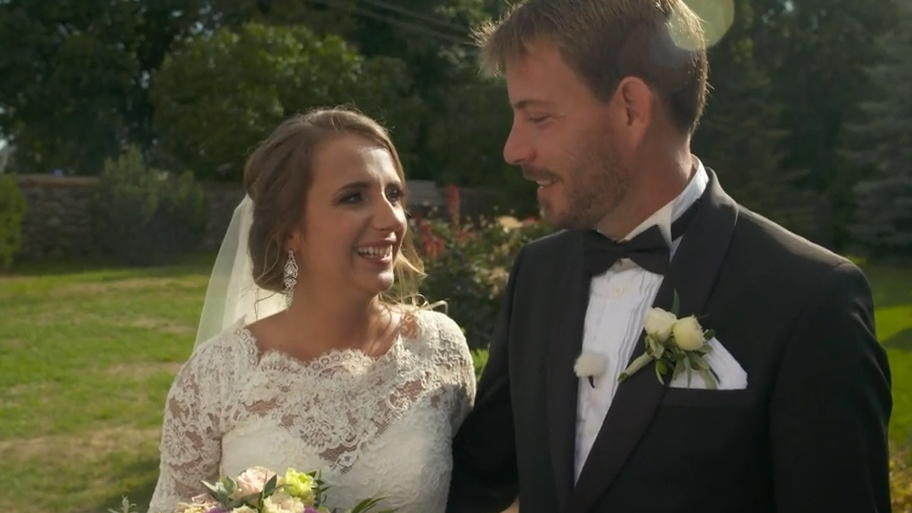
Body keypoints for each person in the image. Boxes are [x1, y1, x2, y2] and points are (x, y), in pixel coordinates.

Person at [447, 1, 891, 513]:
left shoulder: (811, 300)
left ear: (631, 108)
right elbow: (479, 477)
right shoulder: (537, 274)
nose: (513, 149)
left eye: (539, 117)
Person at [149, 108, 475, 513]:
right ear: (290, 231)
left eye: (393, 194)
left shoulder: (439, 348)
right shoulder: (215, 377)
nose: (391, 218)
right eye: (353, 197)